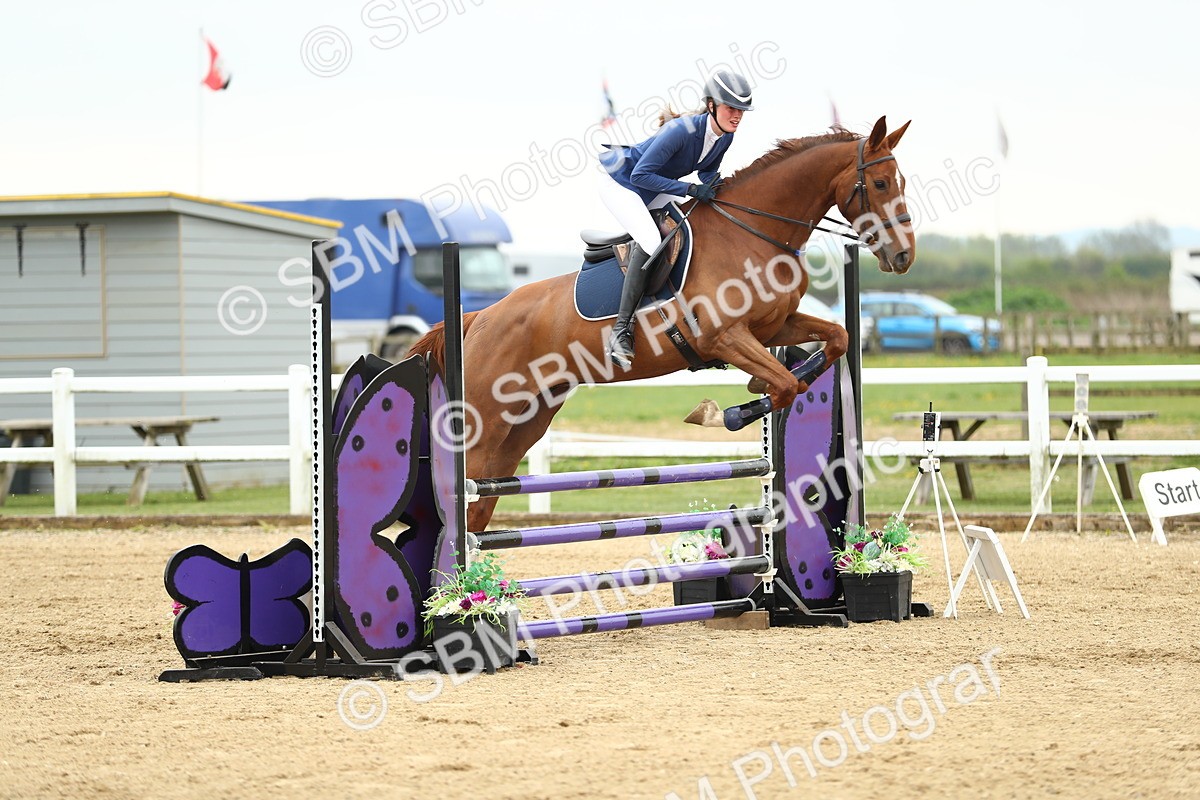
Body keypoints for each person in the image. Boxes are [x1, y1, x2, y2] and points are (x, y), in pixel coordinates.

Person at [597, 70, 754, 368]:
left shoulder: (724, 137)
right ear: (711, 105)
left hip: (653, 185)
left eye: (741, 111)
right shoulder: (681, 131)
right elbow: (639, 174)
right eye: (731, 108)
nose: (737, 116)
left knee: (689, 229)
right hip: (621, 183)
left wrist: (724, 187)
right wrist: (690, 188)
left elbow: (707, 171)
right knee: (651, 239)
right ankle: (621, 330)